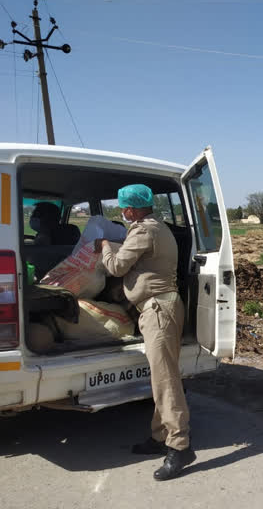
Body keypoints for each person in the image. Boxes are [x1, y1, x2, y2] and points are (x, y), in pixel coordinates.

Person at [94, 184, 194, 481]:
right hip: (162, 308)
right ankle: (159, 436)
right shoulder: (157, 227)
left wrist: (105, 247)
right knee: (160, 378)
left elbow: (116, 267)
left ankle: (180, 445)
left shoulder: (142, 231)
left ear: (132, 209)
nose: (121, 212)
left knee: (166, 381)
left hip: (158, 311)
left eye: (123, 207)